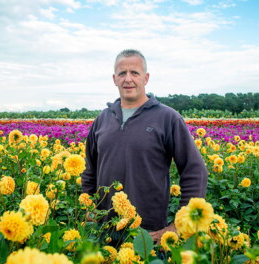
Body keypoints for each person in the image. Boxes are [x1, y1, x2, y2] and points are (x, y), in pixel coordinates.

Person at [81, 49, 208, 244]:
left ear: (146, 78)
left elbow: (194, 171)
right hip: (103, 231)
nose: (128, 79)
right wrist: (88, 209)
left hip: (148, 235)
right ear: (114, 79)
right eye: (122, 73)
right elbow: (90, 170)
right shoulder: (102, 119)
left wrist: (178, 226)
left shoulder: (167, 118)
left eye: (135, 73)